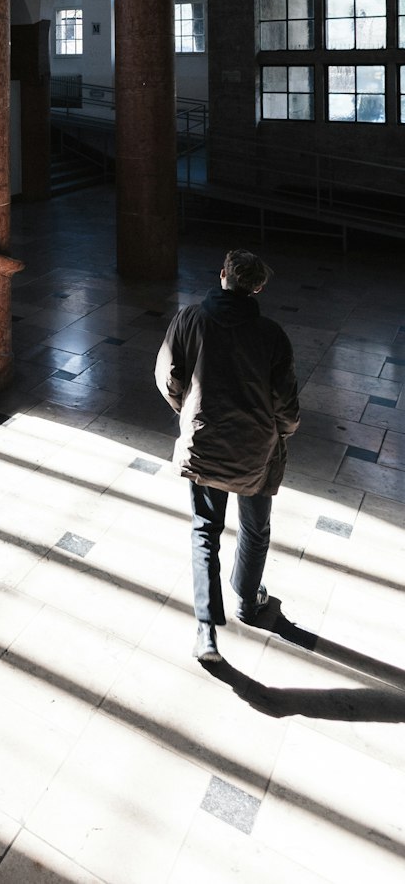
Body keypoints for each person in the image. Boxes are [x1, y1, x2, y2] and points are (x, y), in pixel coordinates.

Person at [155, 248, 299, 663]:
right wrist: (281, 433)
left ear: (223, 276)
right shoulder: (272, 335)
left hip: (205, 445)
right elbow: (285, 404)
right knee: (255, 530)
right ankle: (248, 602)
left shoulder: (189, 319)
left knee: (205, 529)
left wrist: (189, 411)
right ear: (257, 288)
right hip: (257, 450)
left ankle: (206, 632)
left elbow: (168, 377)